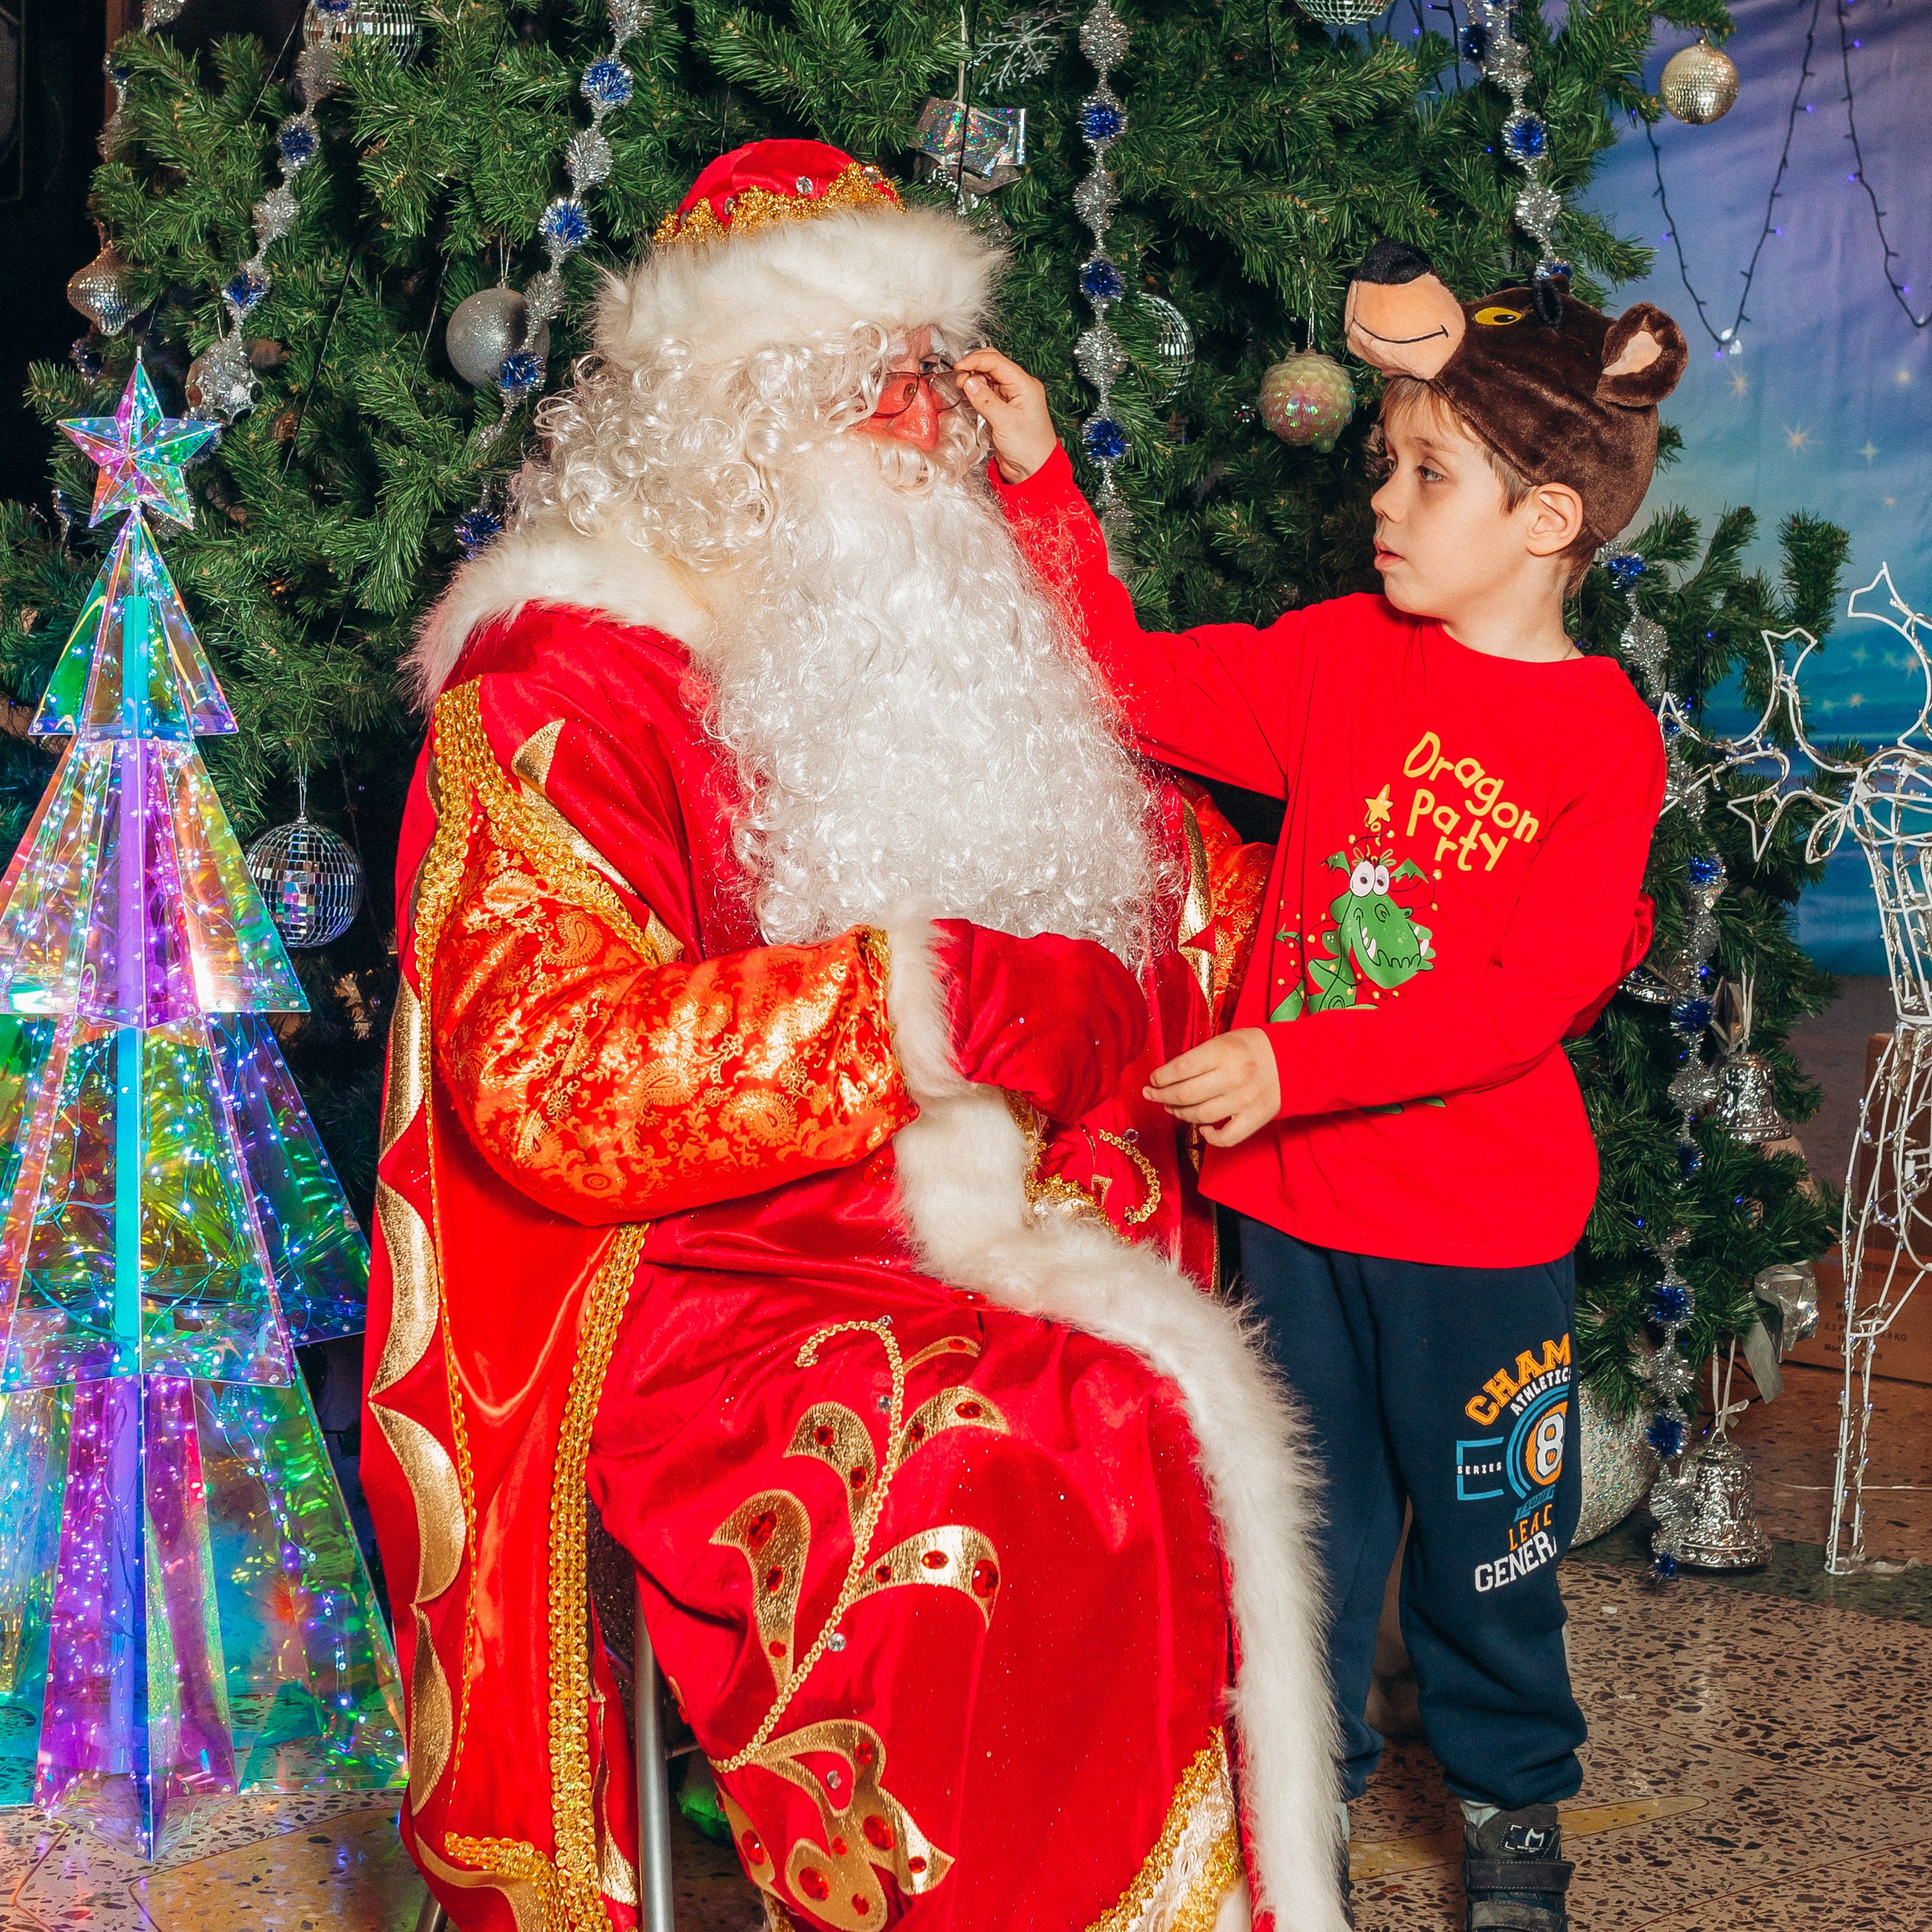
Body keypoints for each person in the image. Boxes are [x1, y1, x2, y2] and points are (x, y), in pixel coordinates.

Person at [361, 139, 1352, 1932]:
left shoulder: (945, 642)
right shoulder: (559, 691)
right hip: (691, 1280)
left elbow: (1177, 903)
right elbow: (551, 1083)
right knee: (996, 1442)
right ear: (734, 419)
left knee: (1123, 1399)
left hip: (954, 1237)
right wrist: (926, 999)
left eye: (931, 376)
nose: (924, 424)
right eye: (867, 382)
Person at [958, 240, 1682, 1932]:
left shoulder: (1596, 738)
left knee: (1486, 1544)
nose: (1387, 497)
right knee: (1305, 1535)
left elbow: (1520, 999)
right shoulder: (1335, 658)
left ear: (1546, 521)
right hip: (1287, 1212)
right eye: (1385, 461)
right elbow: (1119, 676)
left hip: (1473, 1229)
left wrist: (1295, 1057)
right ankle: (1302, 1805)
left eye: (1431, 473)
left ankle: (1511, 1805)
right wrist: (1037, 475)